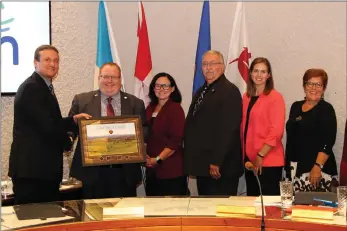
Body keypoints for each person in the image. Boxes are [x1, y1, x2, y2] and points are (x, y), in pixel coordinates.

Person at [8, 45, 90, 205]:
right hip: (33, 172)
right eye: (47, 60)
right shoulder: (33, 88)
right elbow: (48, 126)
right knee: (34, 222)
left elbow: (48, 121)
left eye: (56, 61)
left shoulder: (42, 86)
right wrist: (68, 142)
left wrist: (72, 120)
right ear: (35, 63)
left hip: (39, 170)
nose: (53, 64)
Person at [68, 62, 146, 199]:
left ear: (120, 80)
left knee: (124, 217)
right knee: (93, 217)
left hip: (124, 173)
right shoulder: (82, 100)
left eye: (114, 77)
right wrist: (70, 131)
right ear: (99, 78)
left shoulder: (136, 103)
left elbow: (145, 131)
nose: (109, 81)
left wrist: (131, 137)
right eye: (105, 76)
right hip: (92, 174)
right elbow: (70, 130)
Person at [184, 50, 243, 196]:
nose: (208, 68)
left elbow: (229, 129)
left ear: (222, 67)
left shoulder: (230, 91)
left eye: (212, 64)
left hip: (220, 168)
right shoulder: (202, 91)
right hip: (203, 166)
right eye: (204, 64)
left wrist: (216, 161)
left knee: (221, 213)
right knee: (206, 211)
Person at [285, 68, 338, 192]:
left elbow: (328, 141)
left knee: (317, 210)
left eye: (318, 84)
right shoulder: (295, 106)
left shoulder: (326, 109)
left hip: (317, 172)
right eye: (310, 83)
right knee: (297, 210)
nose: (313, 88)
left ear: (323, 88)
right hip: (296, 170)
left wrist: (317, 166)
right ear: (304, 86)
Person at [241, 57, 286, 196]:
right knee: (253, 207)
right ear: (250, 73)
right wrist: (246, 158)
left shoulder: (275, 97)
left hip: (268, 161)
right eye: (256, 71)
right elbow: (244, 128)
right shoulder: (246, 97)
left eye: (263, 71)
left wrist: (260, 155)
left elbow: (276, 131)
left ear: (269, 75)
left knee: (268, 208)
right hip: (251, 162)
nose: (259, 75)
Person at [144, 72, 187, 196]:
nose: (161, 89)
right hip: (152, 171)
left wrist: (158, 159)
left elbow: (176, 141)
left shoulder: (175, 109)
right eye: (158, 86)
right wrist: (145, 156)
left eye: (165, 86)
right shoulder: (150, 108)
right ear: (153, 88)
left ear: (172, 89)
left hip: (171, 171)